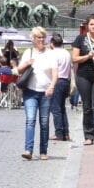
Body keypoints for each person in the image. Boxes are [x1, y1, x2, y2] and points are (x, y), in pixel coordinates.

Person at [16, 26, 57, 160]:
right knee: (30, 120)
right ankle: (28, 150)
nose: (41, 39)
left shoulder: (50, 53)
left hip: (45, 91)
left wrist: (52, 86)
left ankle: (43, 151)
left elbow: (55, 72)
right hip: (30, 91)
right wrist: (27, 63)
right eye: (38, 37)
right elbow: (19, 70)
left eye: (43, 37)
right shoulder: (28, 52)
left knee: (44, 122)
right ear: (33, 39)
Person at [71, 15, 94, 145]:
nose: (93, 26)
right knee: (87, 106)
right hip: (83, 76)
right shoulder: (81, 39)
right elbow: (74, 58)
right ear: (87, 25)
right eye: (91, 24)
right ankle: (88, 135)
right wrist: (88, 55)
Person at [48, 34, 72, 141]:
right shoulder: (66, 52)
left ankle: (59, 133)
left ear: (52, 43)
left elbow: (53, 70)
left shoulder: (52, 54)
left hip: (57, 81)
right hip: (66, 81)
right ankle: (66, 132)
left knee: (55, 109)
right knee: (62, 108)